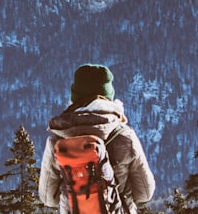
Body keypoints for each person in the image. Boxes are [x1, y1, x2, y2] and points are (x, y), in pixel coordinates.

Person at [39, 64, 156, 213]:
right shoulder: (125, 137)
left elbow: (49, 198)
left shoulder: (57, 141)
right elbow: (145, 193)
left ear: (74, 96)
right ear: (108, 95)